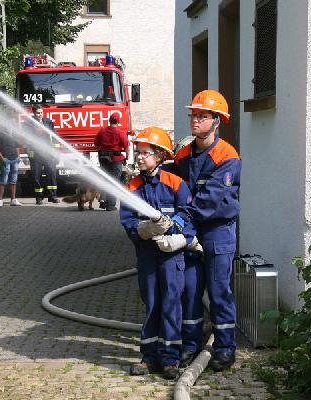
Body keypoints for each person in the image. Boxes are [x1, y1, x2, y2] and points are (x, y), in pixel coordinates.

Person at [148, 90, 241, 371]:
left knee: (218, 290)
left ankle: (225, 348)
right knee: (189, 289)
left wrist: (179, 220)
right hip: (189, 230)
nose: (195, 120)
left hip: (217, 231)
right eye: (193, 115)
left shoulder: (227, 156)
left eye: (202, 116)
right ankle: (190, 344)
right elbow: (172, 186)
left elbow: (209, 199)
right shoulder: (183, 155)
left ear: (217, 121)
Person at [120, 126, 199, 380]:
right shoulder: (132, 187)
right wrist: (142, 229)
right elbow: (128, 220)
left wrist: (176, 232)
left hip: (171, 256)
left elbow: (188, 214)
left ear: (160, 156)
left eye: (145, 153)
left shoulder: (175, 183)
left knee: (171, 305)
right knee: (152, 303)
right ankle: (149, 358)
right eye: (138, 152)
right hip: (147, 255)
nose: (140, 157)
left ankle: (170, 360)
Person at [94, 112, 129, 211]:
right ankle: (110, 205)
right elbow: (126, 146)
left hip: (103, 158)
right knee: (114, 181)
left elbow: (96, 144)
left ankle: (103, 200)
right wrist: (127, 157)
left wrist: (102, 151)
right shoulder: (120, 132)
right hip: (115, 159)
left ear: (109, 121)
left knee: (105, 178)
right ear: (118, 121)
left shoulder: (102, 131)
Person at [30, 105, 60, 204]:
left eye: (41, 112)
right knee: (36, 176)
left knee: (51, 173)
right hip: (36, 153)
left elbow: (55, 136)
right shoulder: (29, 123)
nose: (40, 114)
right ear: (34, 113)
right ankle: (39, 197)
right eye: (38, 113)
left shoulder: (48, 122)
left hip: (48, 153)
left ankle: (52, 196)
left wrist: (56, 150)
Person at [0, 128, 22, 207]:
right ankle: (0, 200)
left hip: (15, 160)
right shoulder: (0, 132)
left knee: (13, 181)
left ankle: (13, 200)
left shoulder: (14, 132)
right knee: (3, 180)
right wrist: (2, 158)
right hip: (6, 160)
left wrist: (18, 157)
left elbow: (17, 146)